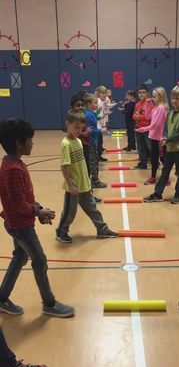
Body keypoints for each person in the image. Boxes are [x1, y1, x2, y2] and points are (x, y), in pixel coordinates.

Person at [0, 119, 74, 317]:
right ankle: (49, 304)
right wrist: (38, 212)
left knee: (20, 257)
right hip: (20, 225)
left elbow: (23, 198)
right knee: (39, 260)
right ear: (19, 142)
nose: (33, 143)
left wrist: (37, 208)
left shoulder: (14, 163)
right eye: (30, 140)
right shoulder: (13, 169)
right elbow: (17, 204)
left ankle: (1, 298)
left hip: (18, 221)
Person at [56, 109, 118, 243]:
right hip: (73, 187)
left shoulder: (78, 141)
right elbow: (64, 167)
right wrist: (71, 185)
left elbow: (82, 165)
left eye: (81, 128)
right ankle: (61, 232)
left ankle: (102, 229)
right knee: (69, 213)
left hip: (84, 185)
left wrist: (88, 182)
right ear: (68, 124)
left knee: (94, 210)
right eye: (76, 127)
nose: (79, 130)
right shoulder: (66, 144)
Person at [144, 85, 179, 204]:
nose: (174, 101)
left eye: (177, 98)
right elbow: (166, 129)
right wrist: (164, 136)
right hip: (170, 148)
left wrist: (168, 139)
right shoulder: (170, 113)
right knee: (165, 171)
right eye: (173, 98)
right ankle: (158, 193)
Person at [137, 86, 169, 184]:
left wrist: (144, 129)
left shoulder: (161, 108)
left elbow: (156, 125)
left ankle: (166, 178)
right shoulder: (156, 107)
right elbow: (147, 117)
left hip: (159, 138)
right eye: (153, 96)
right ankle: (153, 177)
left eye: (154, 97)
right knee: (154, 158)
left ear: (160, 96)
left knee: (163, 158)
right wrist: (147, 104)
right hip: (153, 136)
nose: (153, 98)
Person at [84, 93, 107, 189]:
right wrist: (100, 131)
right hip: (91, 142)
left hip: (94, 141)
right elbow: (90, 129)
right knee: (93, 162)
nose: (97, 104)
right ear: (89, 104)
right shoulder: (88, 115)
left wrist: (99, 116)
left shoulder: (91, 113)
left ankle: (95, 179)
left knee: (95, 160)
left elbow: (94, 117)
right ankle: (95, 181)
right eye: (95, 103)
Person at [133, 84, 153, 169]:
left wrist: (140, 117)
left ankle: (155, 162)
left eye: (143, 92)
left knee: (150, 147)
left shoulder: (150, 103)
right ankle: (142, 163)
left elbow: (150, 117)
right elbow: (134, 116)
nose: (141, 94)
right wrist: (135, 117)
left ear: (147, 93)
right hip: (138, 128)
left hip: (147, 129)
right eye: (140, 92)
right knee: (140, 147)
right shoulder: (137, 104)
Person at [95, 85, 108, 161]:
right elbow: (97, 116)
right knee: (98, 142)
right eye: (103, 93)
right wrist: (102, 126)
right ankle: (97, 156)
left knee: (100, 141)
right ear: (98, 94)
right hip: (97, 126)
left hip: (99, 126)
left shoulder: (102, 102)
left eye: (105, 93)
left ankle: (99, 156)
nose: (105, 95)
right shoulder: (98, 102)